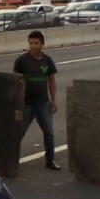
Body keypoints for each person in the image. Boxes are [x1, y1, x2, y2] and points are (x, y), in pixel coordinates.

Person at [13, 30, 60, 170]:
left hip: (43, 103)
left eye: (36, 43)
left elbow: (51, 80)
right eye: (31, 43)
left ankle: (50, 160)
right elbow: (15, 81)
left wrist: (53, 100)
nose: (33, 46)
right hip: (26, 104)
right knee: (18, 133)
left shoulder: (47, 60)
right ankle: (11, 160)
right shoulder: (22, 61)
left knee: (49, 132)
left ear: (42, 44)